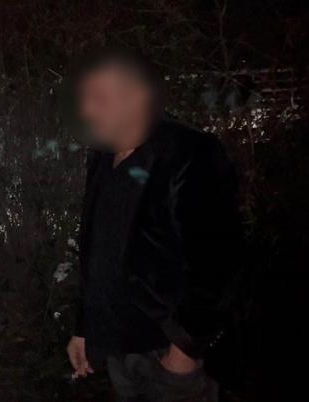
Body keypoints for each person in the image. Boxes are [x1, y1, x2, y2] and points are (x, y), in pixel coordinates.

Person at [63, 48, 242, 401]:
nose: (86, 110)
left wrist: (185, 348)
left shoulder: (190, 151)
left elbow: (217, 261)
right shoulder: (102, 155)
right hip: (118, 347)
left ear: (137, 97)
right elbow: (96, 248)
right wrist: (84, 328)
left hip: (166, 351)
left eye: (99, 97)